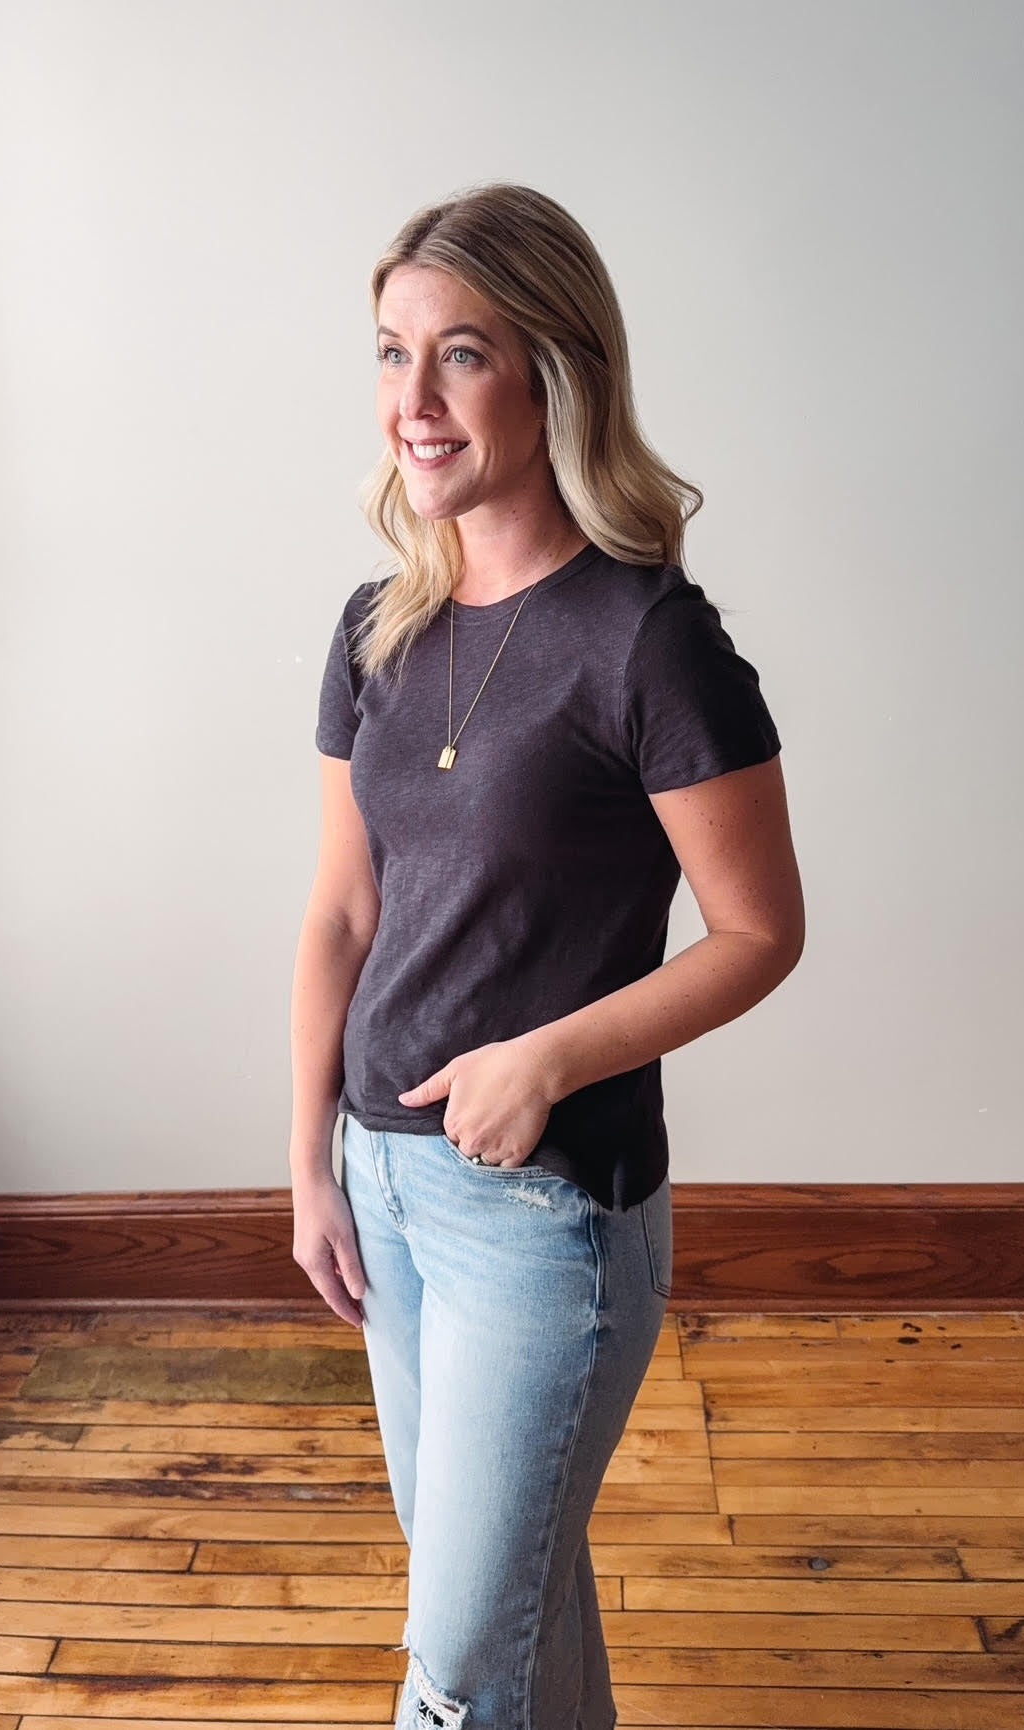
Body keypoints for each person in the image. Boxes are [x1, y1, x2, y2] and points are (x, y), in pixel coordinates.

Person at [289, 181, 805, 1730]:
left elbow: (764, 930)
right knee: (517, 1604)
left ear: (555, 371)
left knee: (455, 1666)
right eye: (392, 354)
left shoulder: (653, 640)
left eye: (462, 355)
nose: (414, 401)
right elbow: (338, 913)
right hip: (382, 1186)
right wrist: (308, 1160)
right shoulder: (377, 624)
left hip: (545, 1212)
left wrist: (551, 1056)